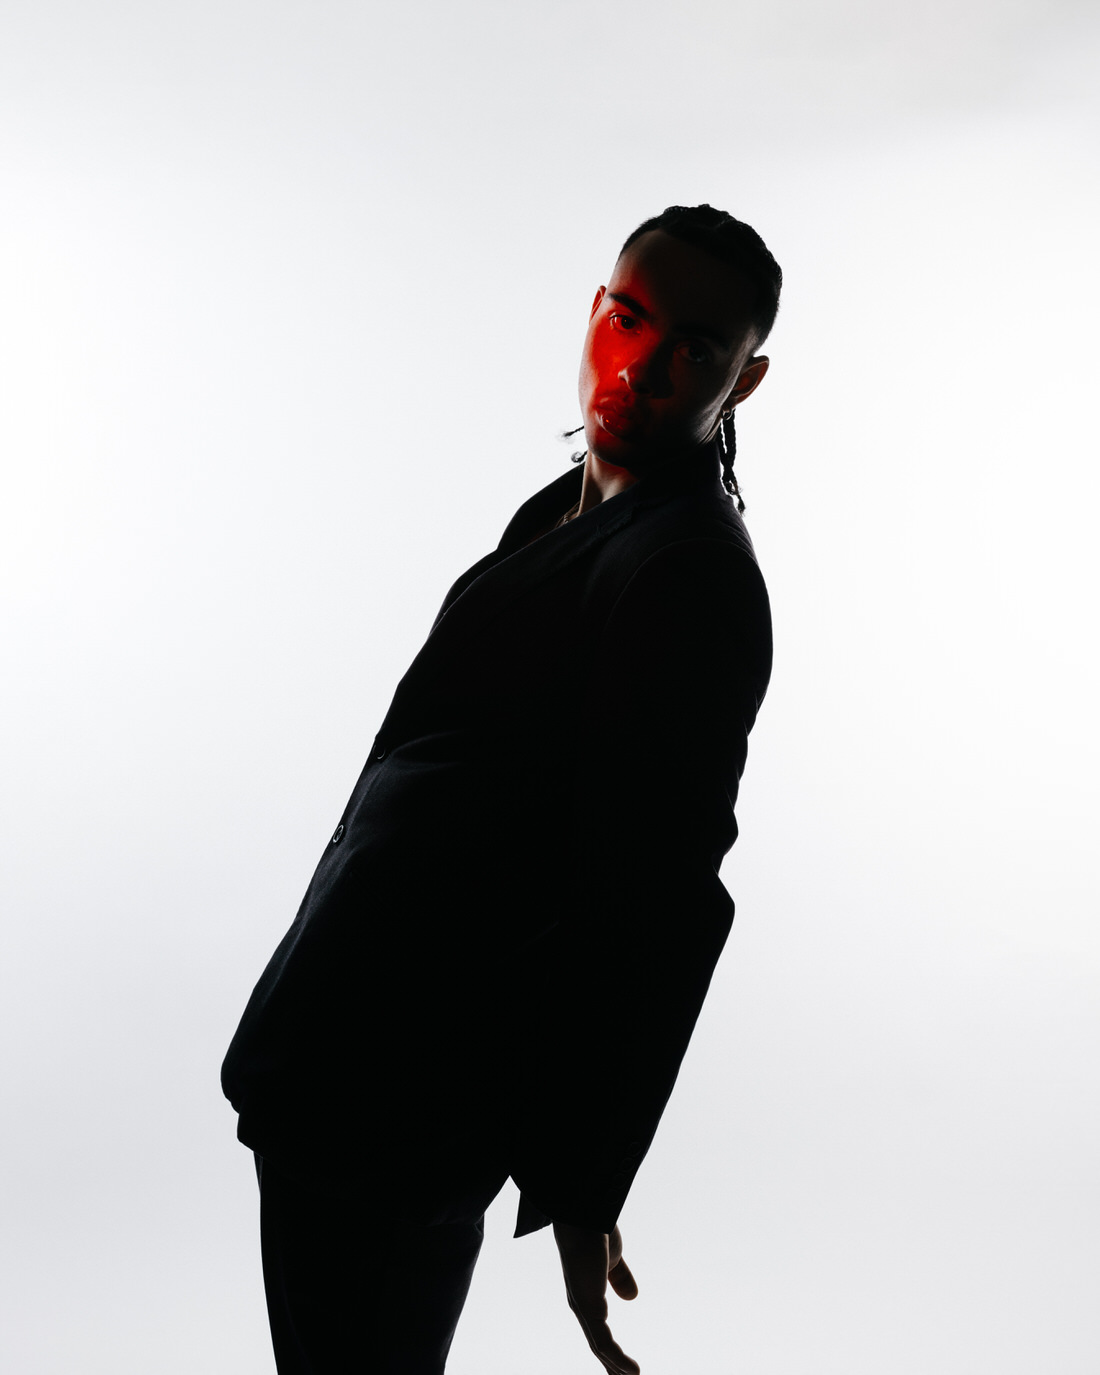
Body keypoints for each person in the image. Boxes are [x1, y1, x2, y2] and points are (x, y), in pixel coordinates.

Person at [221, 203, 782, 1374]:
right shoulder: (559, 508)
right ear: (594, 309)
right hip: (328, 1065)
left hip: (413, 1106)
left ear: (744, 381)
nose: (639, 365)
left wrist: (582, 1186)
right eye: (625, 318)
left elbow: (656, 902)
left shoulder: (687, 575)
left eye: (692, 348)